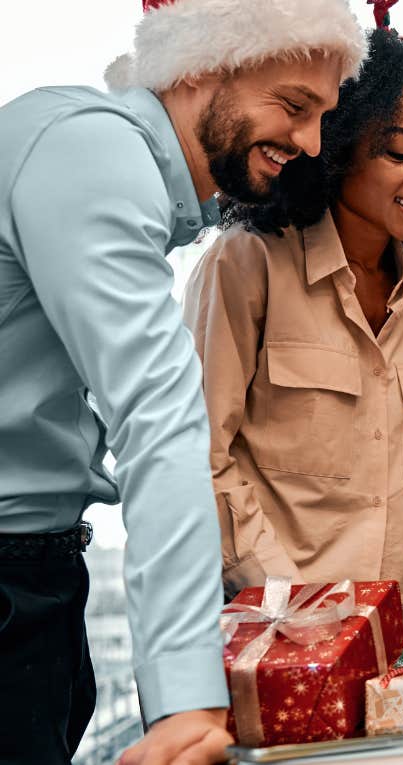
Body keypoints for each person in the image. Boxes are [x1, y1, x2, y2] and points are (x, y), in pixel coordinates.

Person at [0, 0, 364, 761]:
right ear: (200, 65)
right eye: (294, 106)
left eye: (323, 114)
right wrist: (186, 702)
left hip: (40, 572)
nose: (310, 142)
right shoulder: (91, 151)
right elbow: (160, 419)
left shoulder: (113, 169)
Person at [183, 26, 403, 641]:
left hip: (387, 645)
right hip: (256, 636)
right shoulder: (247, 264)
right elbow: (200, 458)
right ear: (335, 148)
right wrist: (295, 609)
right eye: (399, 151)